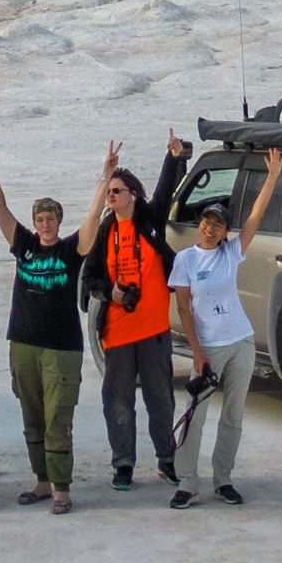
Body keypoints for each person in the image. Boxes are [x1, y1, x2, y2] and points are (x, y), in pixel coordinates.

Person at [167, 146, 282, 507]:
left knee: (233, 416)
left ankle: (223, 479)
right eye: (205, 221)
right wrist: (198, 354)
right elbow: (184, 310)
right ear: (199, 225)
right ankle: (187, 481)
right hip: (208, 348)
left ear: (223, 231)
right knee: (194, 417)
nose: (210, 227)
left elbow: (256, 216)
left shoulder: (231, 253)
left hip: (241, 342)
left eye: (217, 223)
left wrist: (273, 177)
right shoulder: (185, 259)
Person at [0, 133, 84, 513]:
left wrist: (104, 178)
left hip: (62, 348)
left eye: (50, 219)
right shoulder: (23, 244)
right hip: (23, 342)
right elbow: (0, 209)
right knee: (32, 417)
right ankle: (41, 482)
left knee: (59, 419)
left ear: (59, 221)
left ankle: (61, 489)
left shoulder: (72, 250)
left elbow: (92, 224)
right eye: (40, 219)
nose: (44, 225)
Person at [78, 131, 188, 492]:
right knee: (119, 403)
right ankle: (123, 464)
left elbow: (166, 192)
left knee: (161, 400)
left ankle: (167, 460)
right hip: (118, 332)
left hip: (154, 329)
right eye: (109, 192)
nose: (112, 197)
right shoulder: (104, 230)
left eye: (117, 191)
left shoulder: (149, 218)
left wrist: (174, 157)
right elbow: (91, 277)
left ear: (133, 195)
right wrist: (111, 292)